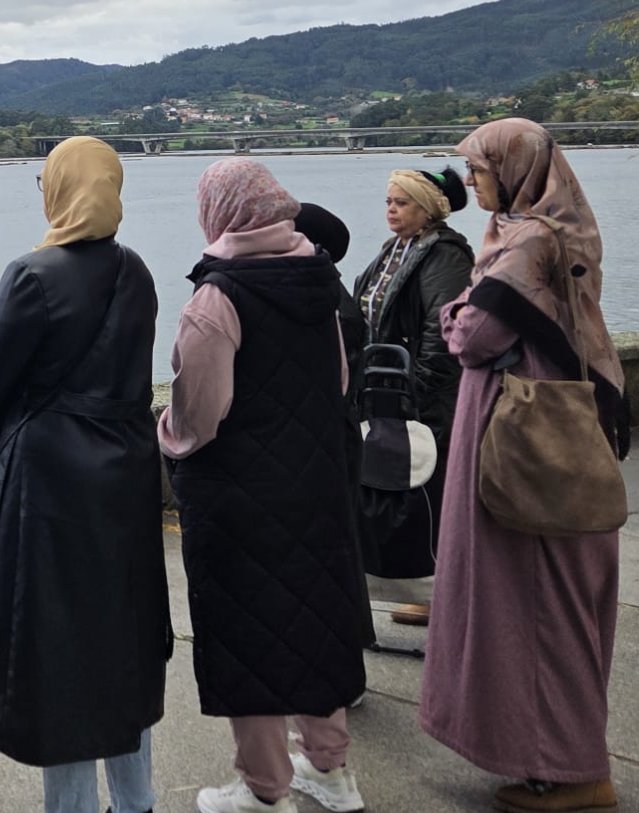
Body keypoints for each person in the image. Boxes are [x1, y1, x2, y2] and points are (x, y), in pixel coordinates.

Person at [0, 136, 169, 813]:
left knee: (58, 652)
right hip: (126, 474)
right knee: (122, 643)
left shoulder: (33, 274)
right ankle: (136, 803)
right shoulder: (137, 272)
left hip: (50, 483)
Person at [419, 118, 627, 813]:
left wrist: (453, 312)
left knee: (535, 602)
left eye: (479, 170)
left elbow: (475, 332)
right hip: (539, 425)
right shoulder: (550, 229)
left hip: (520, 434)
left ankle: (572, 771)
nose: (471, 181)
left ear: (513, 171)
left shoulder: (528, 239)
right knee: (541, 598)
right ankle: (549, 758)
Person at [160, 159, 367, 813]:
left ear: (217, 211)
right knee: (313, 621)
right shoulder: (319, 281)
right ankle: (330, 772)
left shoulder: (217, 297)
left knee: (248, 633)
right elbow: (335, 383)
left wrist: (163, 438)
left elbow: (199, 417)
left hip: (239, 499)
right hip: (316, 485)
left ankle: (263, 787)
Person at [349, 167, 474, 625]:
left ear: (428, 208)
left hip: (419, 399)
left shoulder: (445, 254)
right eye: (388, 201)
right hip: (386, 390)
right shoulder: (396, 249)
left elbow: (442, 333)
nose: (391, 210)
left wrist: (414, 394)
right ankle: (423, 589)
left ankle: (438, 594)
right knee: (401, 491)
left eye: (401, 203)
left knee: (428, 494)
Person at [293, 202, 378, 660]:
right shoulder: (335, 293)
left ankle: (346, 645)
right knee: (341, 543)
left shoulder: (331, 306)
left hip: (332, 435)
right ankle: (352, 638)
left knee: (336, 545)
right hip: (340, 432)